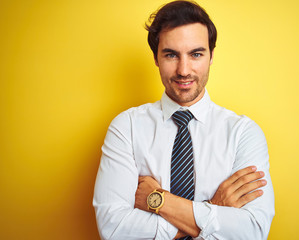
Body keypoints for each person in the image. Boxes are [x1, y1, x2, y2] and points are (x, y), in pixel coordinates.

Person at [93, 1, 275, 239]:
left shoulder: (243, 133)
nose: (184, 70)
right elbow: (113, 229)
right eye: (171, 55)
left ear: (211, 57)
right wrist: (215, 208)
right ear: (156, 58)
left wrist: (158, 201)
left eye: (196, 54)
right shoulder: (126, 127)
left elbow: (253, 231)